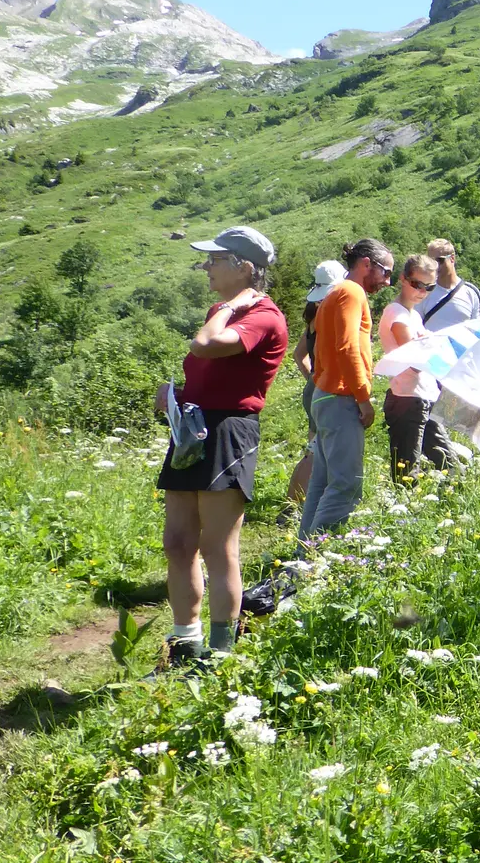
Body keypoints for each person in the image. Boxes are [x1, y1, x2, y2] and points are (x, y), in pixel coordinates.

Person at [155, 226, 289, 665]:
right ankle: (184, 643)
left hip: (229, 432)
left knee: (217, 545)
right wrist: (174, 398)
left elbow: (206, 345)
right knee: (177, 541)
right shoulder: (223, 309)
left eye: (215, 259)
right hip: (191, 431)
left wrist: (231, 306)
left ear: (244, 268)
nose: (205, 266)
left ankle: (221, 652)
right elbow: (203, 370)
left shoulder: (262, 316)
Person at [299, 238, 395, 541]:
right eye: (386, 272)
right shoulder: (351, 292)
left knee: (322, 482)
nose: (388, 281)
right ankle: (318, 562)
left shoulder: (338, 292)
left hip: (326, 395)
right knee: (345, 485)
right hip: (340, 398)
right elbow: (347, 348)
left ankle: (305, 554)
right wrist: (364, 398)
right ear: (366, 263)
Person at [380, 254, 455, 482]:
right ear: (403, 279)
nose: (422, 291)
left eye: (429, 287)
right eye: (417, 284)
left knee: (449, 463)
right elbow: (414, 355)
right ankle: (402, 515)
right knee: (407, 471)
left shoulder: (412, 315)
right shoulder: (396, 313)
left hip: (424, 396)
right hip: (407, 398)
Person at [287, 260, 348, 502]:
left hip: (315, 388)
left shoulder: (313, 316)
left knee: (315, 446)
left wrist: (312, 379)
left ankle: (306, 498)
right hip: (326, 388)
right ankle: (293, 503)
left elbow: (298, 354)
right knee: (316, 450)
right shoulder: (330, 315)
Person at [419, 238, 480, 330]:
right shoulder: (423, 292)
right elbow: (414, 328)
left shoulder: (471, 292)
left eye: (439, 260)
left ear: (452, 258)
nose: (435, 266)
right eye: (431, 261)